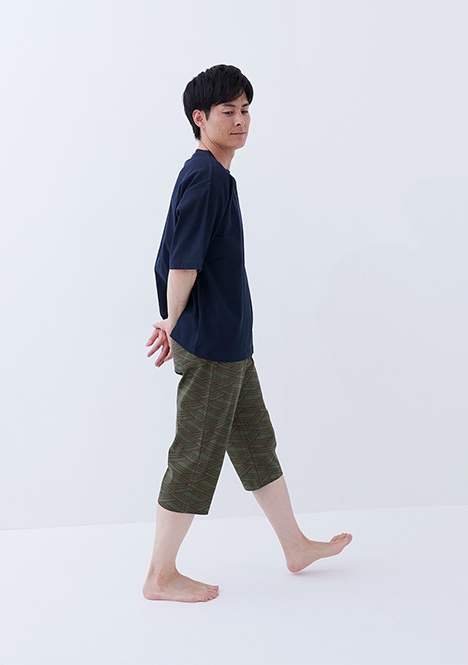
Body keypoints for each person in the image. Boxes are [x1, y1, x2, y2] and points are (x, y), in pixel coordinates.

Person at [143, 64, 352, 603]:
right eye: (227, 111)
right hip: (212, 344)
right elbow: (181, 263)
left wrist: (175, 320)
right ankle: (160, 576)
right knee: (194, 457)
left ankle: (295, 546)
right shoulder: (207, 178)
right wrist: (172, 321)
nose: (240, 120)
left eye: (245, 110)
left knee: (257, 446)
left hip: (229, 342)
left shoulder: (213, 174)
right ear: (199, 117)